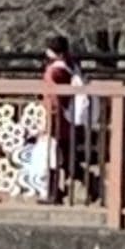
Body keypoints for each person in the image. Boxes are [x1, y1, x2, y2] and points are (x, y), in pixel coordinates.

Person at [40, 36, 75, 203]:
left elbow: (52, 96)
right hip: (66, 116)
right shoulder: (69, 68)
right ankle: (56, 190)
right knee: (62, 153)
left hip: (55, 116)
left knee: (52, 153)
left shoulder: (54, 71)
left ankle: (53, 192)